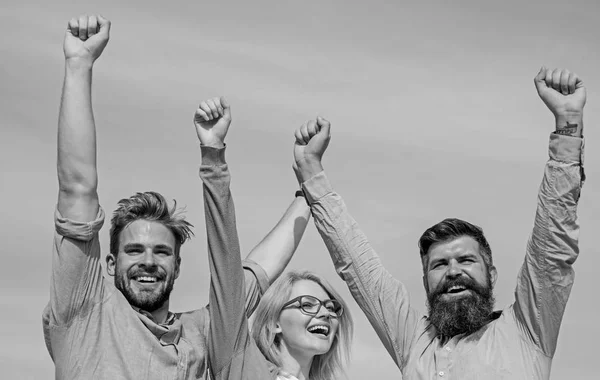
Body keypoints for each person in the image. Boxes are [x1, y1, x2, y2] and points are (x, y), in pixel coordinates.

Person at [44, 15, 310, 379]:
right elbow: (77, 189)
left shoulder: (198, 334)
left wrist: (309, 192)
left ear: (178, 266)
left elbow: (255, 272)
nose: (149, 261)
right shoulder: (85, 311)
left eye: (162, 252)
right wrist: (79, 65)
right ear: (108, 264)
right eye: (134, 250)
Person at [292, 67, 586, 379]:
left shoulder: (527, 331)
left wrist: (568, 127)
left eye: (467, 260)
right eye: (439, 264)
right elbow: (360, 269)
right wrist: (311, 171)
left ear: (492, 274)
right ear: (425, 281)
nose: (453, 271)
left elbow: (551, 246)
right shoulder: (414, 343)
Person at [194, 102, 353, 380]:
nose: (325, 314)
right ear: (275, 323)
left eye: (330, 307)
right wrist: (213, 156)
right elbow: (226, 270)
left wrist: (310, 173)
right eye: (307, 304)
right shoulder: (241, 366)